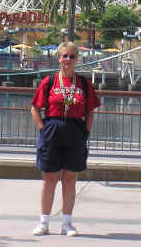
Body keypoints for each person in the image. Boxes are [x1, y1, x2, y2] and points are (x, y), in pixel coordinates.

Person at [30, 41, 100, 237]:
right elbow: (35, 108)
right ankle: (43, 222)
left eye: (71, 56)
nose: (68, 60)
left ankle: (67, 223)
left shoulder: (84, 84)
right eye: (64, 56)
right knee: (49, 178)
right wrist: (42, 129)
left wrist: (85, 132)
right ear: (58, 58)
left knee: (70, 178)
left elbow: (91, 112)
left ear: (77, 59)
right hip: (52, 129)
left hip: (75, 131)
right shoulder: (49, 81)